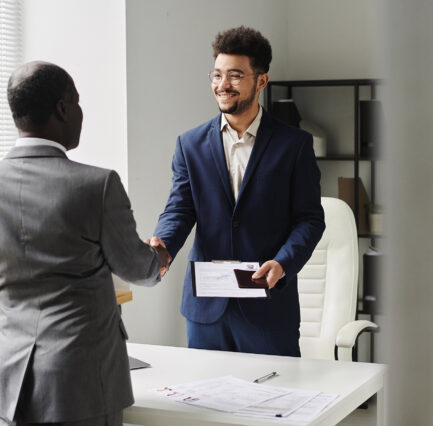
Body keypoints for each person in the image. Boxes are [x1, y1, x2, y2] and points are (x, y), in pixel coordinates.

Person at [0, 61, 170, 426]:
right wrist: (159, 256)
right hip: (81, 383)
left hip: (11, 380)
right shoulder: (97, 186)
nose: (80, 113)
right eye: (77, 103)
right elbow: (137, 268)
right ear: (62, 108)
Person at [151, 26, 325, 356]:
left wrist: (283, 263)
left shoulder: (295, 145)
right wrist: (162, 247)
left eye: (234, 76)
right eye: (216, 75)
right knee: (207, 404)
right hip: (207, 309)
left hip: (268, 306)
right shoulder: (190, 144)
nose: (222, 85)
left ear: (261, 81)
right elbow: (180, 210)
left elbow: (310, 220)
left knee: (277, 402)